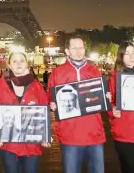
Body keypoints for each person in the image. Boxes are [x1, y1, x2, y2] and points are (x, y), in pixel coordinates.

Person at [48, 34, 106, 173]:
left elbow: (103, 96)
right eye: (75, 48)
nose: (79, 51)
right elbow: (48, 97)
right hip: (70, 135)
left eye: (81, 48)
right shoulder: (57, 73)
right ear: (67, 51)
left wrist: (107, 97)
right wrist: (51, 104)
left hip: (94, 134)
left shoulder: (94, 70)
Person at [0, 52, 50, 173]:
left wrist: (45, 135)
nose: (18, 64)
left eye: (22, 60)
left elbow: (44, 111)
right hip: (8, 143)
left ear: (27, 64)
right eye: (15, 61)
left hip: (31, 144)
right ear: (9, 65)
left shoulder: (36, 86)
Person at [108, 40, 134, 173]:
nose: (131, 57)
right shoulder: (114, 78)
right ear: (121, 57)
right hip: (125, 133)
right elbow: (109, 104)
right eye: (126, 54)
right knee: (129, 169)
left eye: (133, 53)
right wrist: (112, 110)